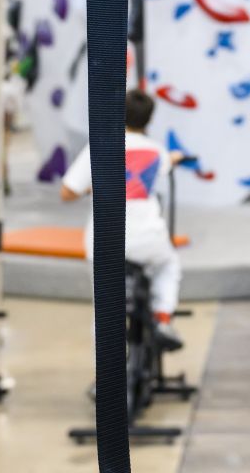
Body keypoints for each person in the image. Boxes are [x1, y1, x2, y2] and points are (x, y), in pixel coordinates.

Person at [61, 88, 185, 351]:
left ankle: (103, 375)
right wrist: (173, 158)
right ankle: (163, 318)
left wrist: (93, 187)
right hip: (148, 238)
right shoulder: (156, 151)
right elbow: (165, 165)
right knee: (169, 265)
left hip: (106, 241)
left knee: (105, 308)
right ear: (149, 120)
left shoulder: (101, 146)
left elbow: (67, 191)